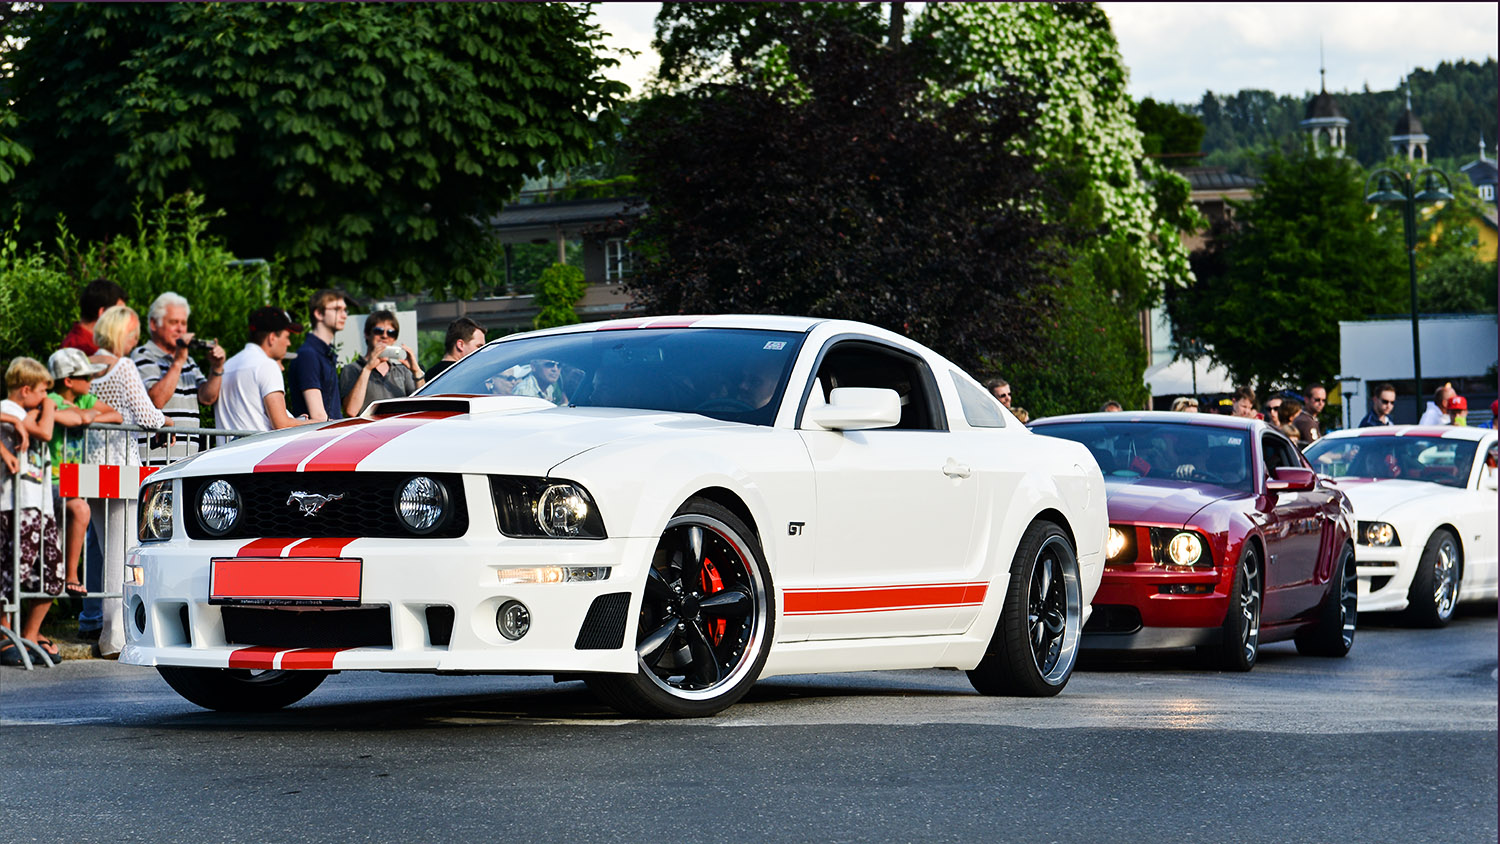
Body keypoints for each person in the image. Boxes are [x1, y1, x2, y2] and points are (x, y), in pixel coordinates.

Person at [89, 304, 170, 658]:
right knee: (122, 552)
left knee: (106, 548)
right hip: (121, 464)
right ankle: (116, 634)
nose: (135, 340)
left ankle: (112, 632)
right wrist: (165, 421)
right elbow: (147, 415)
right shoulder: (123, 367)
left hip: (90, 464)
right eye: (133, 334)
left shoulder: (86, 365)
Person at [0, 358, 64, 665]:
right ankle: (4, 634)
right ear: (25, 390)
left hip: (40, 505)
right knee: (12, 572)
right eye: (42, 391)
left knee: (51, 573)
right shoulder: (9, 409)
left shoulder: (26, 413)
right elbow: (46, 432)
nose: (46, 397)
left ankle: (30, 633)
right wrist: (47, 408)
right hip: (15, 504)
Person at [47, 348, 121, 600]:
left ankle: (68, 576)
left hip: (71, 482)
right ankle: (70, 576)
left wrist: (88, 415)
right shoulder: (51, 399)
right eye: (87, 377)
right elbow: (69, 419)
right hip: (50, 481)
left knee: (79, 512)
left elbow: (116, 415)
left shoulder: (85, 400)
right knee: (80, 510)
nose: (92, 381)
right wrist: (83, 417)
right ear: (68, 381)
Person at [131, 292, 226, 462]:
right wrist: (178, 362)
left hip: (185, 461)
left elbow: (207, 398)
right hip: (154, 463)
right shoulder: (143, 355)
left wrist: (216, 367)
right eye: (173, 322)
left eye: (183, 323)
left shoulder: (187, 360)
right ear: (154, 324)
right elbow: (156, 401)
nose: (180, 329)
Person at [219, 307, 313, 432]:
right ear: (272, 338)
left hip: (228, 444)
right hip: (259, 445)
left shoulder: (227, 365)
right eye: (287, 337)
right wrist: (318, 423)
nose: (289, 343)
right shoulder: (267, 365)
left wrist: (295, 420)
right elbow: (281, 424)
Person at [341, 310, 423, 416]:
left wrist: (416, 372)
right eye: (378, 331)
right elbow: (351, 411)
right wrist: (367, 369)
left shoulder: (402, 371)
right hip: (369, 426)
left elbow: (423, 405)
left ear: (395, 339)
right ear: (367, 334)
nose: (385, 336)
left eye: (391, 333)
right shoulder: (352, 369)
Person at [287, 289, 347, 422]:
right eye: (337, 309)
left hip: (331, 430)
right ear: (319, 313)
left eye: (345, 310)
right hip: (321, 433)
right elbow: (318, 415)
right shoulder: (308, 355)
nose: (344, 315)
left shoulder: (325, 353)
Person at [61, 279, 128, 356]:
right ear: (103, 313)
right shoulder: (83, 349)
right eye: (119, 313)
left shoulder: (83, 343)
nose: (125, 320)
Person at [425, 317, 486, 382]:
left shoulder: (429, 375)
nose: (483, 351)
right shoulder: (467, 375)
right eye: (479, 346)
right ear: (460, 345)